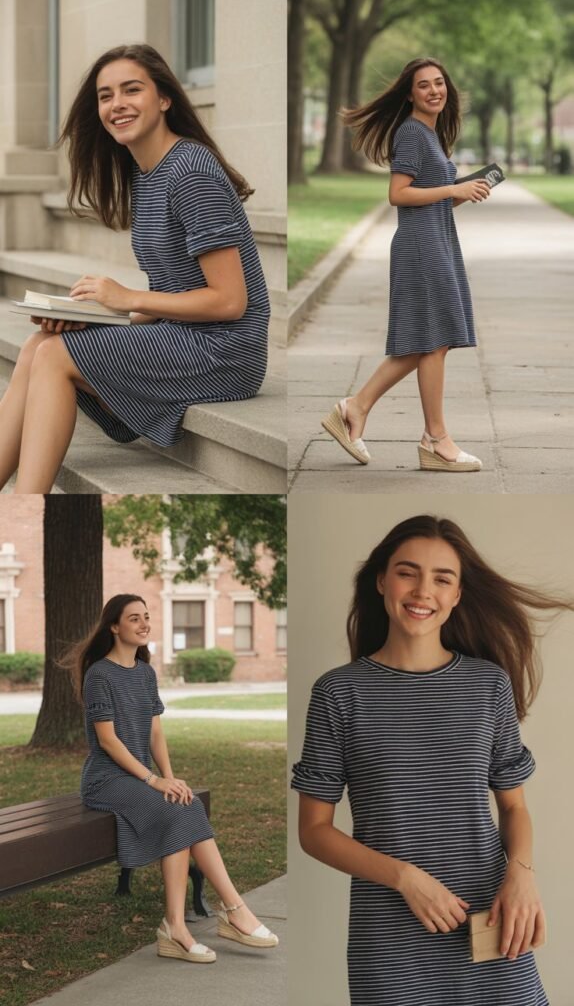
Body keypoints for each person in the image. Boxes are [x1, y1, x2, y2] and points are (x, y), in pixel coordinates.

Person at [292, 515, 572, 1005]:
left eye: (442, 578)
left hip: (491, 919)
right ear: (382, 581)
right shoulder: (339, 693)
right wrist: (405, 878)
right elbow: (314, 830)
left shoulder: (489, 685)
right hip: (390, 937)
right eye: (408, 572)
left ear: (457, 594)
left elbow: (513, 807)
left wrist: (522, 875)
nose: (423, 591)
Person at [0, 43, 269, 494]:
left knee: (54, 355)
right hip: (184, 334)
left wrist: (126, 298)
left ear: (164, 98)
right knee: (37, 345)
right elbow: (175, 293)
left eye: (131, 90)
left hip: (227, 350)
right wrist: (96, 316)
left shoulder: (190, 172)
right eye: (105, 96)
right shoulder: (146, 174)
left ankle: (27, 507)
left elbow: (229, 301)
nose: (117, 104)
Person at [64, 594, 278, 962]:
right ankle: (231, 911)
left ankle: (178, 926)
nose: (144, 623)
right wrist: (154, 781)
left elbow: (156, 733)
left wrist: (171, 779)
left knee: (184, 805)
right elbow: (108, 741)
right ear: (114, 626)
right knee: (177, 811)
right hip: (106, 780)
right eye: (134, 618)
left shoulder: (145, 673)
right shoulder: (100, 674)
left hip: (138, 779)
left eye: (146, 616)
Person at [321, 58, 491, 472]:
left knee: (428, 341)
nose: (434, 90)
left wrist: (462, 193)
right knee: (433, 340)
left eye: (439, 83)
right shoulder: (412, 133)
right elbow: (398, 194)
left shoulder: (429, 134)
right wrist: (452, 188)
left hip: (435, 240)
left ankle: (356, 408)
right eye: (424, 85)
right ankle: (435, 439)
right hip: (421, 247)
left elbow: (429, 199)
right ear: (411, 94)